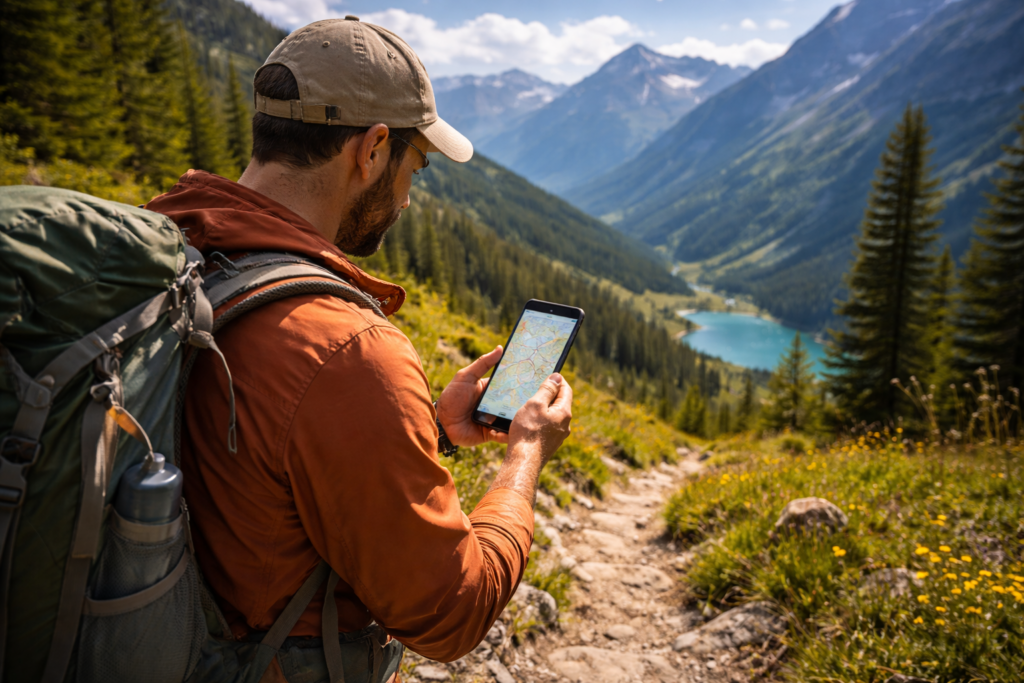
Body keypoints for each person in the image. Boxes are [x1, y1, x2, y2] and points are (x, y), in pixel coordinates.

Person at [146, 16, 574, 683]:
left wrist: (429, 430)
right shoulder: (346, 350)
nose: (406, 195)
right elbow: (451, 611)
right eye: (415, 166)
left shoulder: (172, 249)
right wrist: (525, 455)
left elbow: (253, 456)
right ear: (372, 150)